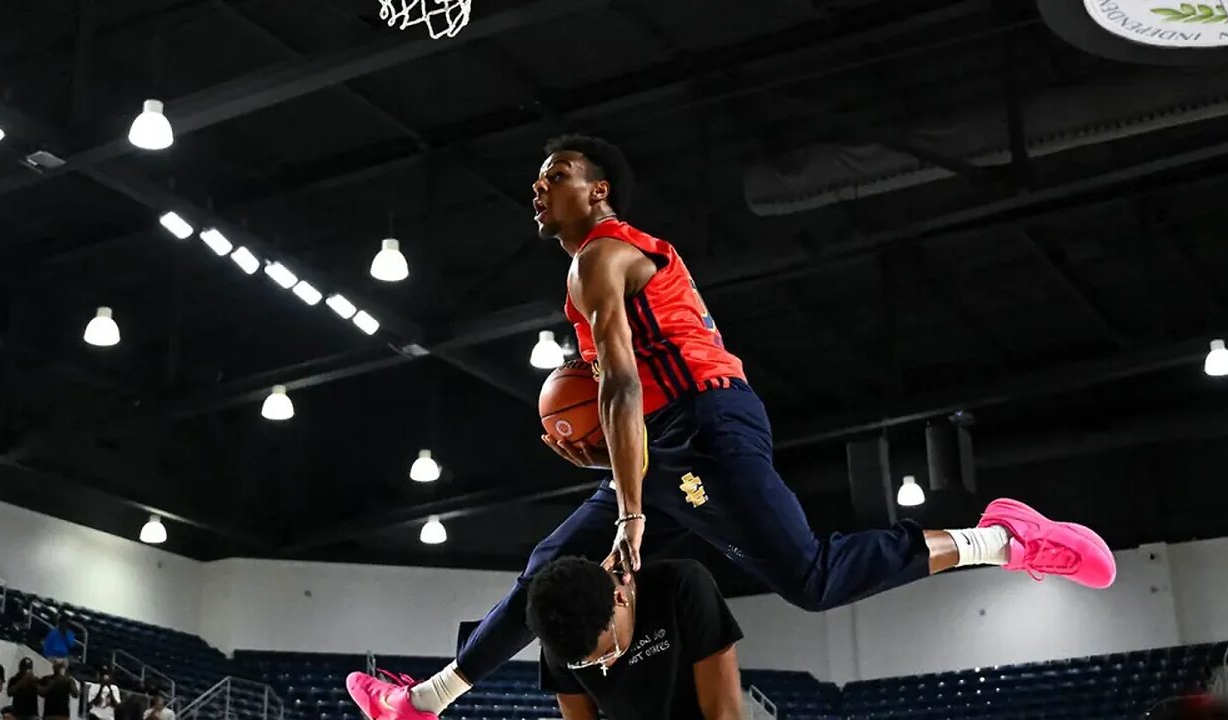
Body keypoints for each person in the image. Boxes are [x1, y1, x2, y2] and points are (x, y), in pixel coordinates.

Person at [344, 135, 1120, 720]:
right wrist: (615, 475)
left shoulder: (598, 258)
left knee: (810, 579)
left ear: (598, 189)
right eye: (535, 183)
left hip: (704, 428)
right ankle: (425, 701)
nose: (538, 190)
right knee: (554, 564)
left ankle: (1007, 540)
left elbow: (618, 383)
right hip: (676, 435)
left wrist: (630, 508)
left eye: (555, 177)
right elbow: (628, 391)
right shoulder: (601, 267)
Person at [529, 557, 743, 720]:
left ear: (619, 599)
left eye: (609, 651)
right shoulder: (561, 643)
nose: (606, 666)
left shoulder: (682, 587)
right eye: (588, 664)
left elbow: (723, 713)